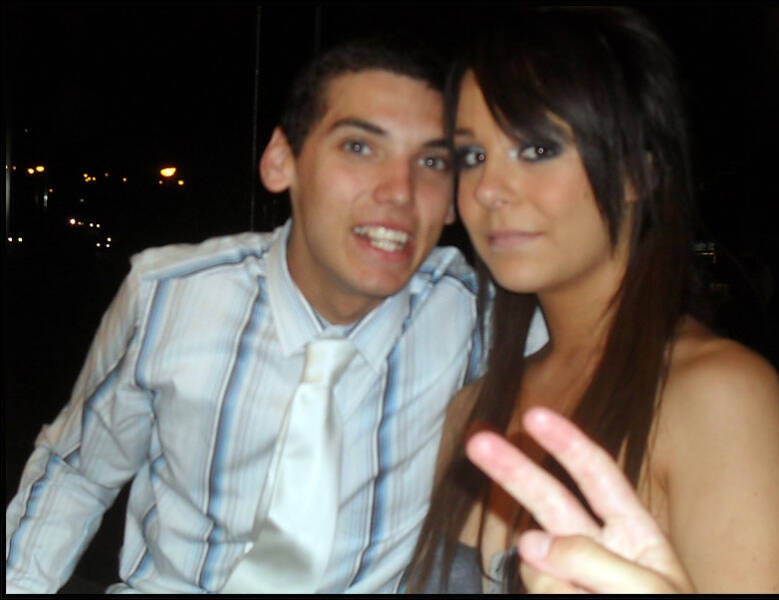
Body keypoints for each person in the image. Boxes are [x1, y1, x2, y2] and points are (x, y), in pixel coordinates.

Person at [5, 36, 503, 594]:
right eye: (359, 147)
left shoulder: (477, 315)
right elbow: (77, 471)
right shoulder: (170, 295)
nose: (400, 192)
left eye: (432, 162)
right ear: (281, 160)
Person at [404, 6, 779, 594]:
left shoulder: (718, 396)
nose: (488, 190)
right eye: (472, 157)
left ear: (639, 172)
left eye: (536, 149)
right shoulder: (472, 406)